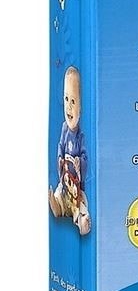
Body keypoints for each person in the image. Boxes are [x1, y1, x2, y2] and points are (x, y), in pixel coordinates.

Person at [49, 66, 90, 235]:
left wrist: (79, 163)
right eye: (66, 99)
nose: (69, 107)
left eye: (73, 101)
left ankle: (82, 221)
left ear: (81, 107)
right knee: (59, 191)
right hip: (65, 179)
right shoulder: (64, 128)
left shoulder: (80, 135)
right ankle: (58, 206)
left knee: (81, 204)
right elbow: (60, 145)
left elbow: (84, 155)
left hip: (76, 186)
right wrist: (60, 158)